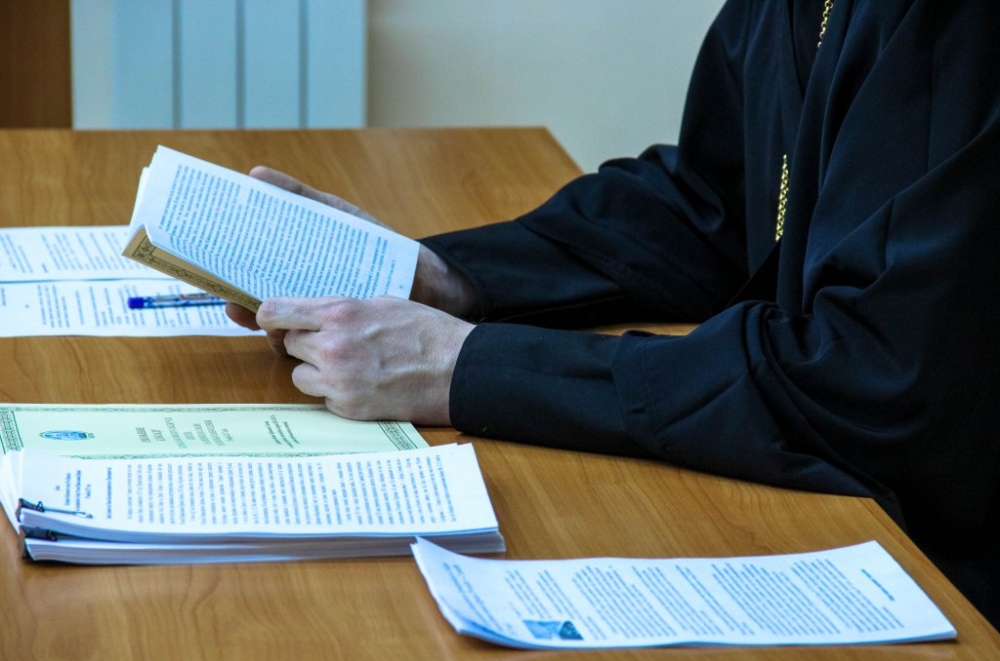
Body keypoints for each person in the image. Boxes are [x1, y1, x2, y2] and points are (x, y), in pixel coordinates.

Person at [228, 1, 1000, 627]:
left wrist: (462, 366)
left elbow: (872, 380)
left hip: (944, 574)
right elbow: (709, 208)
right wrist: (437, 275)